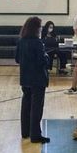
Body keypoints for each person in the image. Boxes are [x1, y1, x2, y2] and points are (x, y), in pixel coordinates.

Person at [16, 16, 50, 144]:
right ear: (36, 28)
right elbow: (43, 61)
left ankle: (25, 132)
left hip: (25, 77)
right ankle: (35, 134)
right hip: (38, 78)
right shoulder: (37, 42)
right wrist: (47, 57)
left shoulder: (21, 41)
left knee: (26, 104)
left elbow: (17, 59)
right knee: (37, 107)